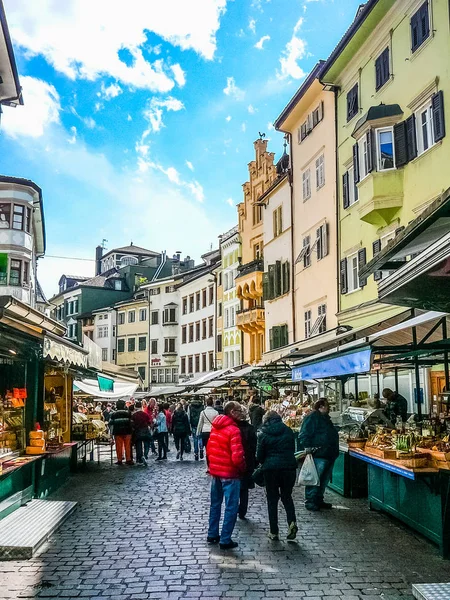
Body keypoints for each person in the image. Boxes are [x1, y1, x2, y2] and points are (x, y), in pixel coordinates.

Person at [206, 401, 246, 550]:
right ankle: (225, 539)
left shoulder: (215, 427)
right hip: (229, 473)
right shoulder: (233, 430)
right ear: (232, 412)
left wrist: (212, 466)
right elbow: (237, 456)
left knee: (215, 504)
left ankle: (212, 533)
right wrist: (242, 468)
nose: (241, 413)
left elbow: (209, 449)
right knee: (231, 506)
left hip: (215, 472)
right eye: (238, 410)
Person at [256, 410, 298, 541]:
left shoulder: (263, 434)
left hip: (271, 470)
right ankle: (292, 522)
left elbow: (259, 456)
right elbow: (292, 449)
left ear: (266, 421)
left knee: (272, 499)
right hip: (289, 468)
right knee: (287, 496)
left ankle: (274, 531)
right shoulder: (288, 431)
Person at [298, 398, 339, 512]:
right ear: (321, 407)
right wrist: (308, 447)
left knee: (323, 479)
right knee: (314, 478)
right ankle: (311, 501)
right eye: (327, 406)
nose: (329, 409)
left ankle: (319, 499)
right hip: (319, 453)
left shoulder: (325, 418)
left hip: (328, 453)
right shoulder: (313, 417)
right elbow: (304, 434)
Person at [235, 405, 257, 520]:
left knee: (234, 487)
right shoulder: (251, 429)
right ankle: (242, 510)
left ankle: (235, 509)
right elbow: (254, 447)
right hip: (248, 461)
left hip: (235, 461)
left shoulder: (233, 428)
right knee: (244, 488)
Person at [109, 399, 134, 465]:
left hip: (117, 432)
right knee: (127, 446)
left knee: (119, 446)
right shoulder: (128, 413)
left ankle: (119, 459)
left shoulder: (114, 414)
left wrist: (111, 434)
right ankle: (128, 459)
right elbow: (131, 422)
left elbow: (110, 423)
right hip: (127, 431)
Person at [131, 400, 152, 466]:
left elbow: (132, 424)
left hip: (137, 432)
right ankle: (145, 455)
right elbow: (149, 423)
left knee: (138, 446)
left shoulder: (134, 415)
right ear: (141, 406)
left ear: (135, 407)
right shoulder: (145, 414)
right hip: (145, 431)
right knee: (147, 444)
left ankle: (139, 458)